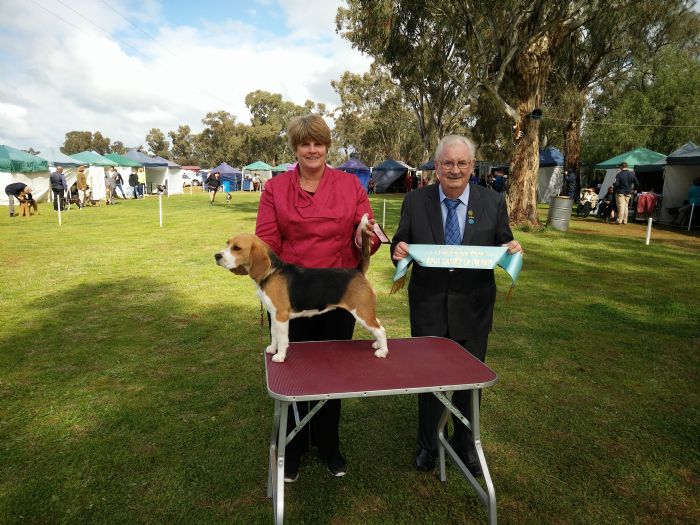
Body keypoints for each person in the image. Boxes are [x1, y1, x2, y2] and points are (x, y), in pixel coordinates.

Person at [255, 114, 381, 483]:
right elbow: (267, 241)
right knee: (293, 370)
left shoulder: (350, 185)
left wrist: (364, 233)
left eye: (319, 143)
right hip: (292, 294)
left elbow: (367, 236)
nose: (312, 149)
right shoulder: (275, 188)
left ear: (327, 147)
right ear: (295, 148)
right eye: (304, 143)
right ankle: (294, 445)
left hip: (337, 293)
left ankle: (328, 442)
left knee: (332, 371)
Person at [390, 135, 522, 477]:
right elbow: (401, 239)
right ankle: (429, 444)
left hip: (473, 308)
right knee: (428, 379)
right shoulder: (415, 200)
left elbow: (503, 239)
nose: (455, 170)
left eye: (462, 163)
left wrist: (511, 247)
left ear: (472, 166)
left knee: (470, 381)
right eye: (448, 163)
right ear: (437, 166)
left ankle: (466, 444)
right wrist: (398, 249)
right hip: (429, 306)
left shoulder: (492, 201)